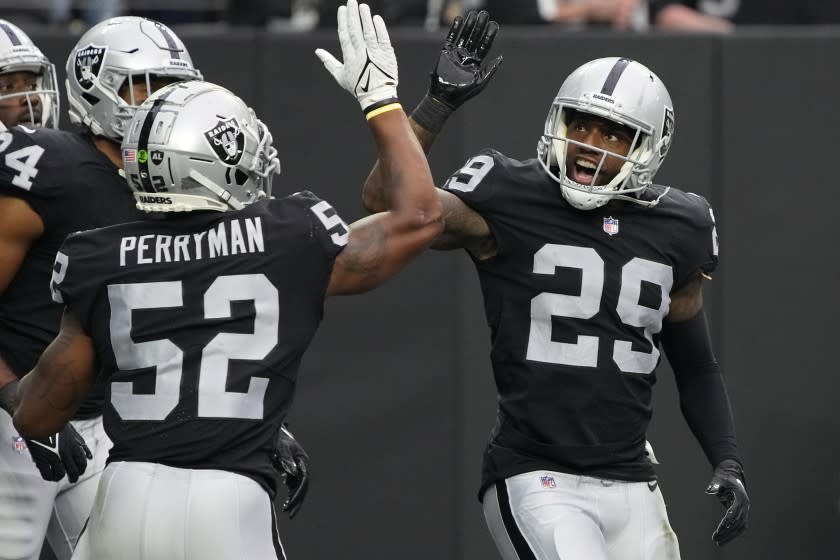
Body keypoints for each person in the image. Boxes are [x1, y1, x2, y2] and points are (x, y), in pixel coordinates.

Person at [12, 1, 442, 558]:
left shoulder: (97, 254)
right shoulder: (288, 235)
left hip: (123, 493)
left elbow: (39, 410)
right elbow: (420, 215)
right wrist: (380, 102)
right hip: (226, 497)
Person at [362, 13, 750, 559]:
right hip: (538, 474)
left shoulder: (681, 226)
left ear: (650, 146)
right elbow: (388, 206)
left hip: (634, 481)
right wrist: (436, 106)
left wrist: (727, 459)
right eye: (579, 125)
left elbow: (696, 364)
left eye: (614, 133)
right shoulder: (509, 192)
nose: (590, 145)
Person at [0, 15, 307, 560]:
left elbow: (179, 329)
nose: (163, 102)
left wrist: (256, 425)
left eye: (173, 87)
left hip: (101, 425)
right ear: (99, 89)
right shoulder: (51, 171)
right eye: (147, 87)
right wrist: (12, 400)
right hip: (16, 414)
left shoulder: (179, 179)